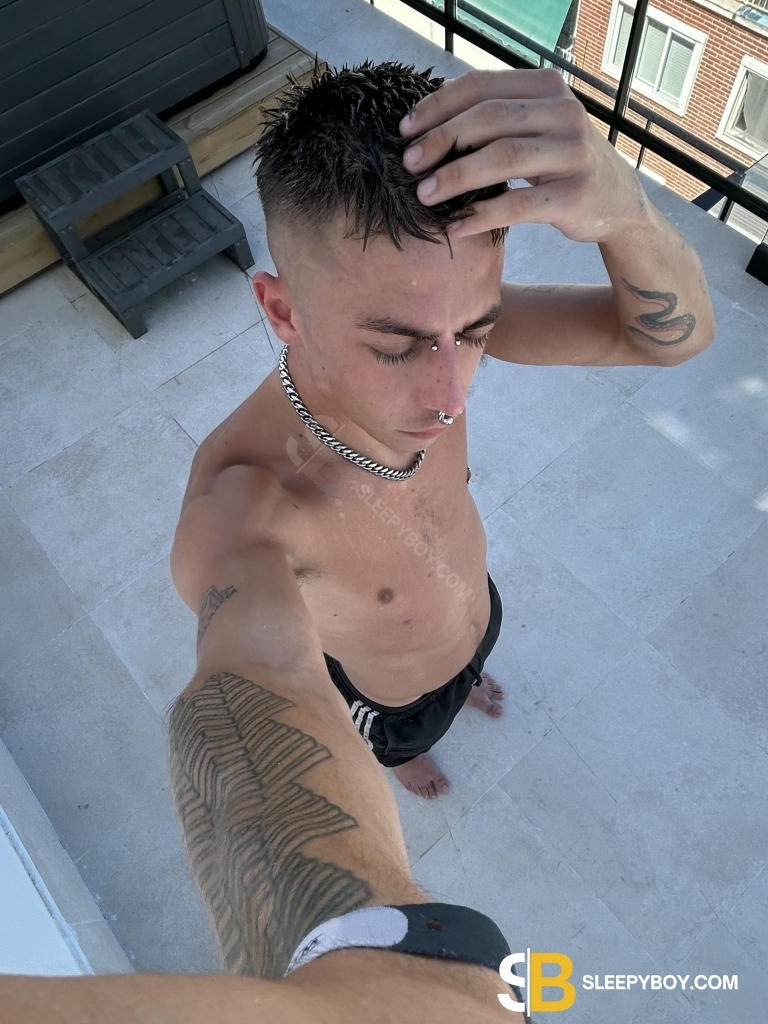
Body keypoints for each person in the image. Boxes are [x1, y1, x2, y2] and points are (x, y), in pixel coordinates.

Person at [0, 60, 714, 1023]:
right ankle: (407, 753)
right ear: (280, 311)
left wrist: (631, 218)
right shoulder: (247, 506)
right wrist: (351, 959)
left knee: (471, 652)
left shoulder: (442, 330)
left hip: (477, 610)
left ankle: (468, 677)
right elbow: (242, 691)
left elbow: (667, 338)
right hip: (389, 694)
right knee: (406, 735)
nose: (451, 391)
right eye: (396, 346)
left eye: (476, 331)